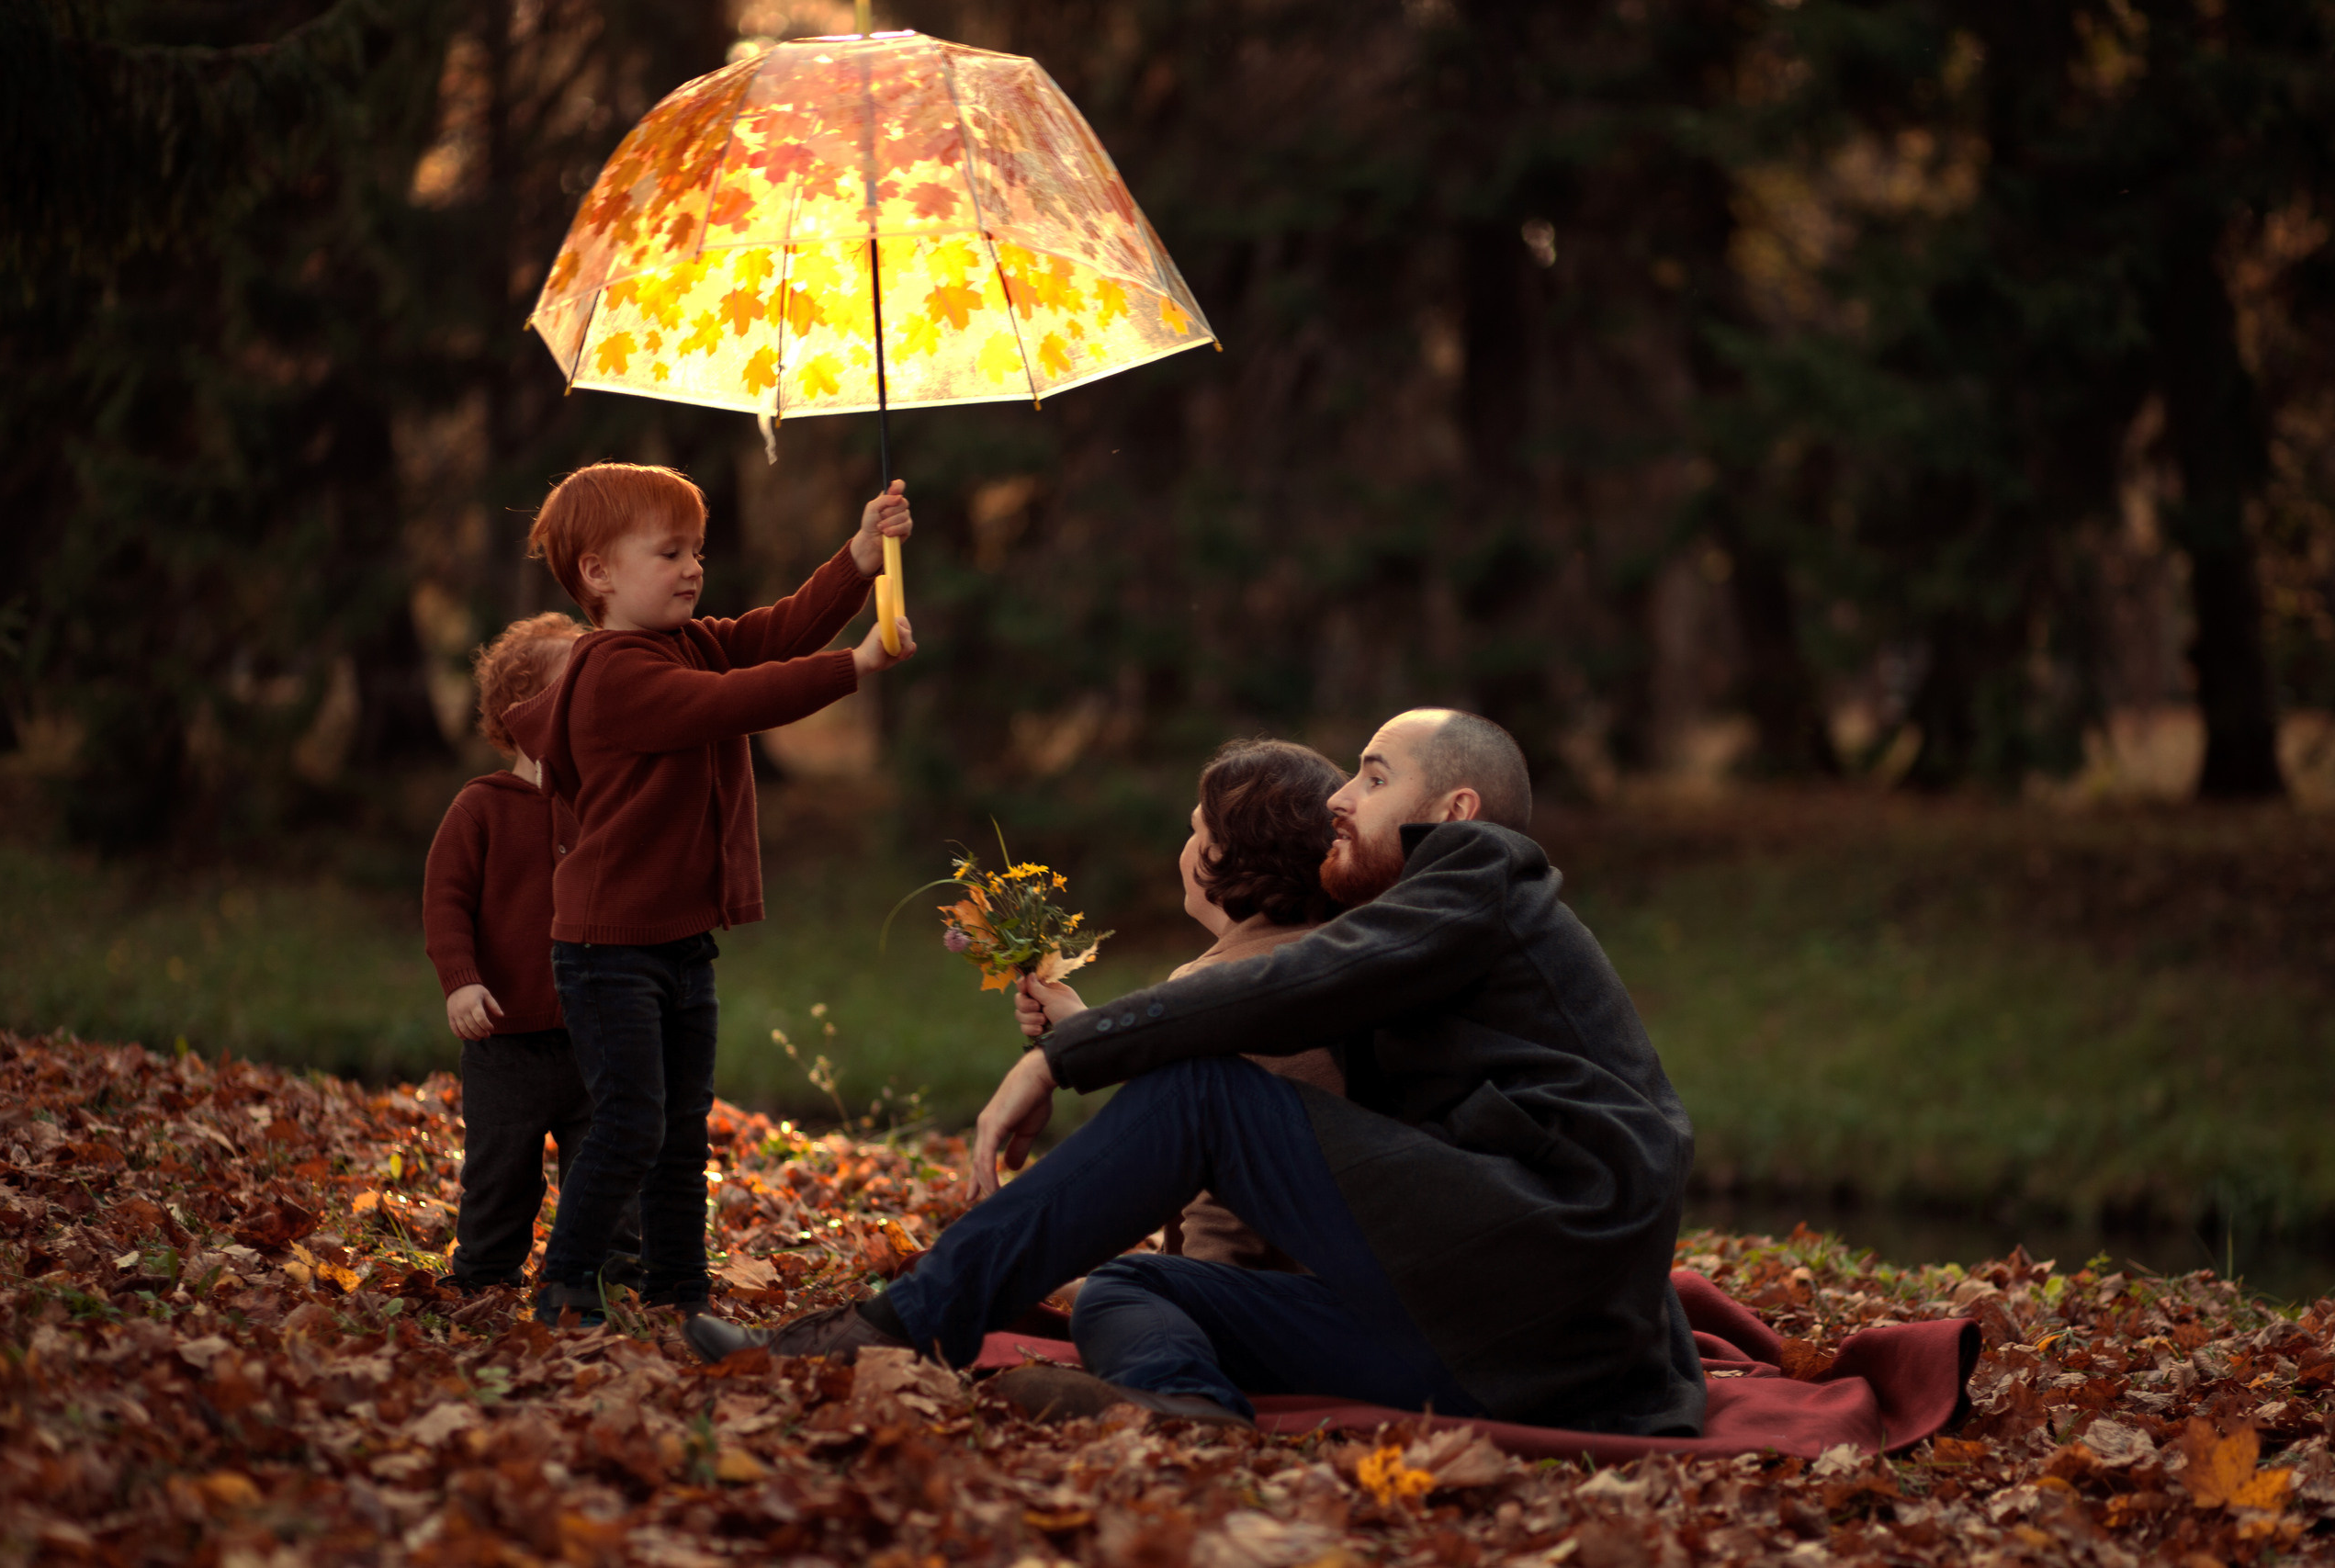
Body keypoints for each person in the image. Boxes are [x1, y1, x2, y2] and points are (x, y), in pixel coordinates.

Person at [685, 709, 1706, 1439]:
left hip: (1535, 1273)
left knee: (1201, 1093)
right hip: (1490, 1347)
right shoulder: (1421, 936)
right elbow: (1283, 992)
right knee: (1133, 1284)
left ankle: (894, 1329)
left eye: (1371, 777)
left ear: (1457, 809)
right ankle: (1184, 1406)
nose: (1340, 799)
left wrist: (1065, 1054)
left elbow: (1292, 984)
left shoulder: (1485, 877)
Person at [508, 462, 916, 1324]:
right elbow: (732, 701)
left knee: (683, 1129)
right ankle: (566, 1284)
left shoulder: (685, 641)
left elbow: (775, 632)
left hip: (681, 941)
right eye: (670, 553)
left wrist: (858, 557)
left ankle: (680, 1290)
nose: (694, 568)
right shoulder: (613, 672)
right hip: (607, 948)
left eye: (697, 550)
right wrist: (854, 666)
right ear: (598, 573)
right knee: (632, 1122)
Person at [1019, 738, 1348, 1273]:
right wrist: (1082, 1027)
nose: (1187, 846)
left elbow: (1221, 1213)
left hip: (1271, 1290)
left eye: (1195, 830)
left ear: (1219, 853)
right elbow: (1191, 1091)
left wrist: (1172, 1295)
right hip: (1356, 1277)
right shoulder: (1344, 961)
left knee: (1093, 1289)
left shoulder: (1213, 984)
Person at [422, 613, 640, 1292]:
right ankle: (485, 1276)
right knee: (501, 1170)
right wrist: (461, 980)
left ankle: (611, 1277)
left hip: (594, 1034)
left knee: (609, 1164)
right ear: (522, 712)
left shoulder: (606, 804)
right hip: (505, 1039)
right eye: (577, 690)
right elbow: (445, 902)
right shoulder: (480, 808)